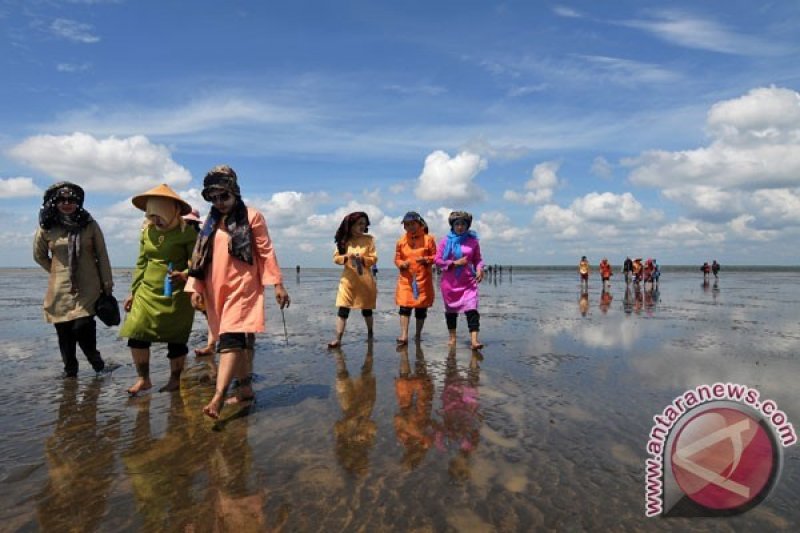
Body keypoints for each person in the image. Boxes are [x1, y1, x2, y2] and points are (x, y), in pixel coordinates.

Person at [185, 165, 290, 419]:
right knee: (233, 339)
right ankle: (244, 390)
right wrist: (195, 287)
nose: (219, 203)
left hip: (243, 286)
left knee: (230, 338)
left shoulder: (252, 216)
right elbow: (200, 258)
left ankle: (218, 396)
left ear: (235, 193)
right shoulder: (209, 223)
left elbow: (265, 251)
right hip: (215, 286)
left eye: (225, 196)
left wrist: (277, 284)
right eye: (214, 198)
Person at [120, 184, 197, 396]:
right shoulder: (147, 232)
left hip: (176, 293)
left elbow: (198, 264)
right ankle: (143, 379)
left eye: (159, 216)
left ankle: (175, 380)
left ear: (172, 212)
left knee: (176, 339)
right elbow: (141, 262)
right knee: (136, 334)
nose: (156, 221)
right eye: (152, 216)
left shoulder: (187, 234)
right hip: (146, 291)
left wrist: (184, 274)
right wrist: (133, 292)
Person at [33, 182, 116, 378]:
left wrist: (107, 284)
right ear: (55, 202)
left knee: (82, 327)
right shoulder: (47, 227)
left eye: (71, 200)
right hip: (59, 289)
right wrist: (56, 270)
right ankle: (70, 371)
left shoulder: (89, 224)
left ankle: (97, 363)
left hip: (89, 285)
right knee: (63, 330)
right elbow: (39, 256)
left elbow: (102, 255)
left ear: (78, 202)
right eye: (62, 200)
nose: (67, 203)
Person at [434, 211, 485, 349]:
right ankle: (452, 337)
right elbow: (437, 260)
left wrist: (480, 269)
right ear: (452, 225)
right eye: (457, 224)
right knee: (451, 312)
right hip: (450, 284)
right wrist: (455, 263)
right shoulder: (445, 241)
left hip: (468, 282)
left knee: (472, 310)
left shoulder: (473, 241)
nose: (460, 227)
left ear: (468, 226)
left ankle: (474, 341)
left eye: (463, 224)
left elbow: (478, 259)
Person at [327, 212, 377, 348]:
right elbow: (336, 258)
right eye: (359, 224)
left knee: (367, 310)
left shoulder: (369, 240)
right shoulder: (344, 240)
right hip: (348, 281)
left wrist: (363, 259)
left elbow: (373, 259)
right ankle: (338, 339)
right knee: (343, 309)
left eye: (364, 224)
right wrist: (346, 257)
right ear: (351, 225)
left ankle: (370, 333)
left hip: (365, 281)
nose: (362, 226)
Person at [394, 211, 437, 345]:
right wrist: (401, 264)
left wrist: (426, 259)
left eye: (413, 224)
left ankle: (418, 334)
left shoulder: (428, 239)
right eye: (407, 225)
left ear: (420, 224)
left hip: (423, 279)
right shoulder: (401, 241)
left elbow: (436, 257)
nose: (410, 227)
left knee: (421, 308)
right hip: (406, 280)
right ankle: (404, 335)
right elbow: (397, 258)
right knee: (404, 307)